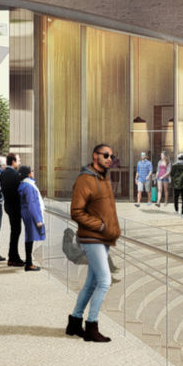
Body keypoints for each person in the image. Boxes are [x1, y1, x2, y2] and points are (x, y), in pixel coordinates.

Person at [66, 144, 120, 343]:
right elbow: (76, 212)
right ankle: (91, 326)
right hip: (92, 237)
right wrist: (101, 226)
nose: (109, 159)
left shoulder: (104, 178)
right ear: (94, 155)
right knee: (105, 281)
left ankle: (74, 323)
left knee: (91, 283)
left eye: (112, 156)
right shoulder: (84, 180)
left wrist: (108, 230)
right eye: (106, 155)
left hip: (103, 238)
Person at [0, 153, 26, 266]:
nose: (19, 163)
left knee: (14, 231)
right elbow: (20, 190)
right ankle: (13, 258)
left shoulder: (3, 173)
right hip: (16, 206)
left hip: (8, 205)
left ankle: (13, 257)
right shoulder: (16, 174)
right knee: (16, 232)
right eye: (18, 160)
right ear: (13, 162)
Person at [18, 166, 44, 272]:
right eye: (31, 171)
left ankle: (29, 262)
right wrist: (38, 219)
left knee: (30, 237)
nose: (33, 172)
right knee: (29, 238)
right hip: (30, 214)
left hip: (27, 213)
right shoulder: (28, 186)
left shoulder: (25, 184)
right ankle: (29, 264)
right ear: (28, 174)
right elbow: (31, 204)